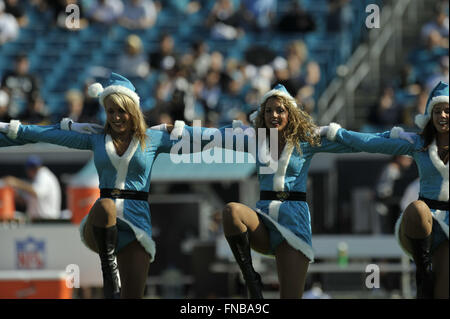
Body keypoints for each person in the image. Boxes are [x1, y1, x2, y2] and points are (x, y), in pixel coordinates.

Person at [157, 84, 411, 299]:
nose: (274, 115)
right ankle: (251, 279)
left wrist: (394, 138)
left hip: (294, 222)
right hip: (265, 219)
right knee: (232, 211)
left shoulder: (307, 140)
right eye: (269, 111)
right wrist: (171, 130)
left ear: (290, 113)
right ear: (262, 114)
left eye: (280, 110)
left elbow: (354, 143)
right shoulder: (254, 139)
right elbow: (210, 136)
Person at [0, 72, 196, 299]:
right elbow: (44, 133)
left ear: (132, 110)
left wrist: (242, 134)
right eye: (110, 111)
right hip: (102, 223)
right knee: (106, 206)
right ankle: (108, 268)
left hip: (137, 226)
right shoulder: (95, 137)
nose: (115, 117)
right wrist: (8, 130)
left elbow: (204, 137)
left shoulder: (154, 138)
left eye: (121, 111)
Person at [325, 81, 449, 299]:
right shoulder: (417, 143)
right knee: (418, 209)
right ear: (430, 115)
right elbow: (372, 142)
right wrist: (337, 133)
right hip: (424, 224)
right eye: (437, 110)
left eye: (447, 110)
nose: (443, 115)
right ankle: (422, 272)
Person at [1, 155, 62, 222]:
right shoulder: (36, 179)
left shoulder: (44, 175)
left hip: (48, 221)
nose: (33, 169)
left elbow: (37, 192)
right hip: (39, 221)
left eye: (34, 167)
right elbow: (26, 200)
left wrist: (16, 182)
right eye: (31, 167)